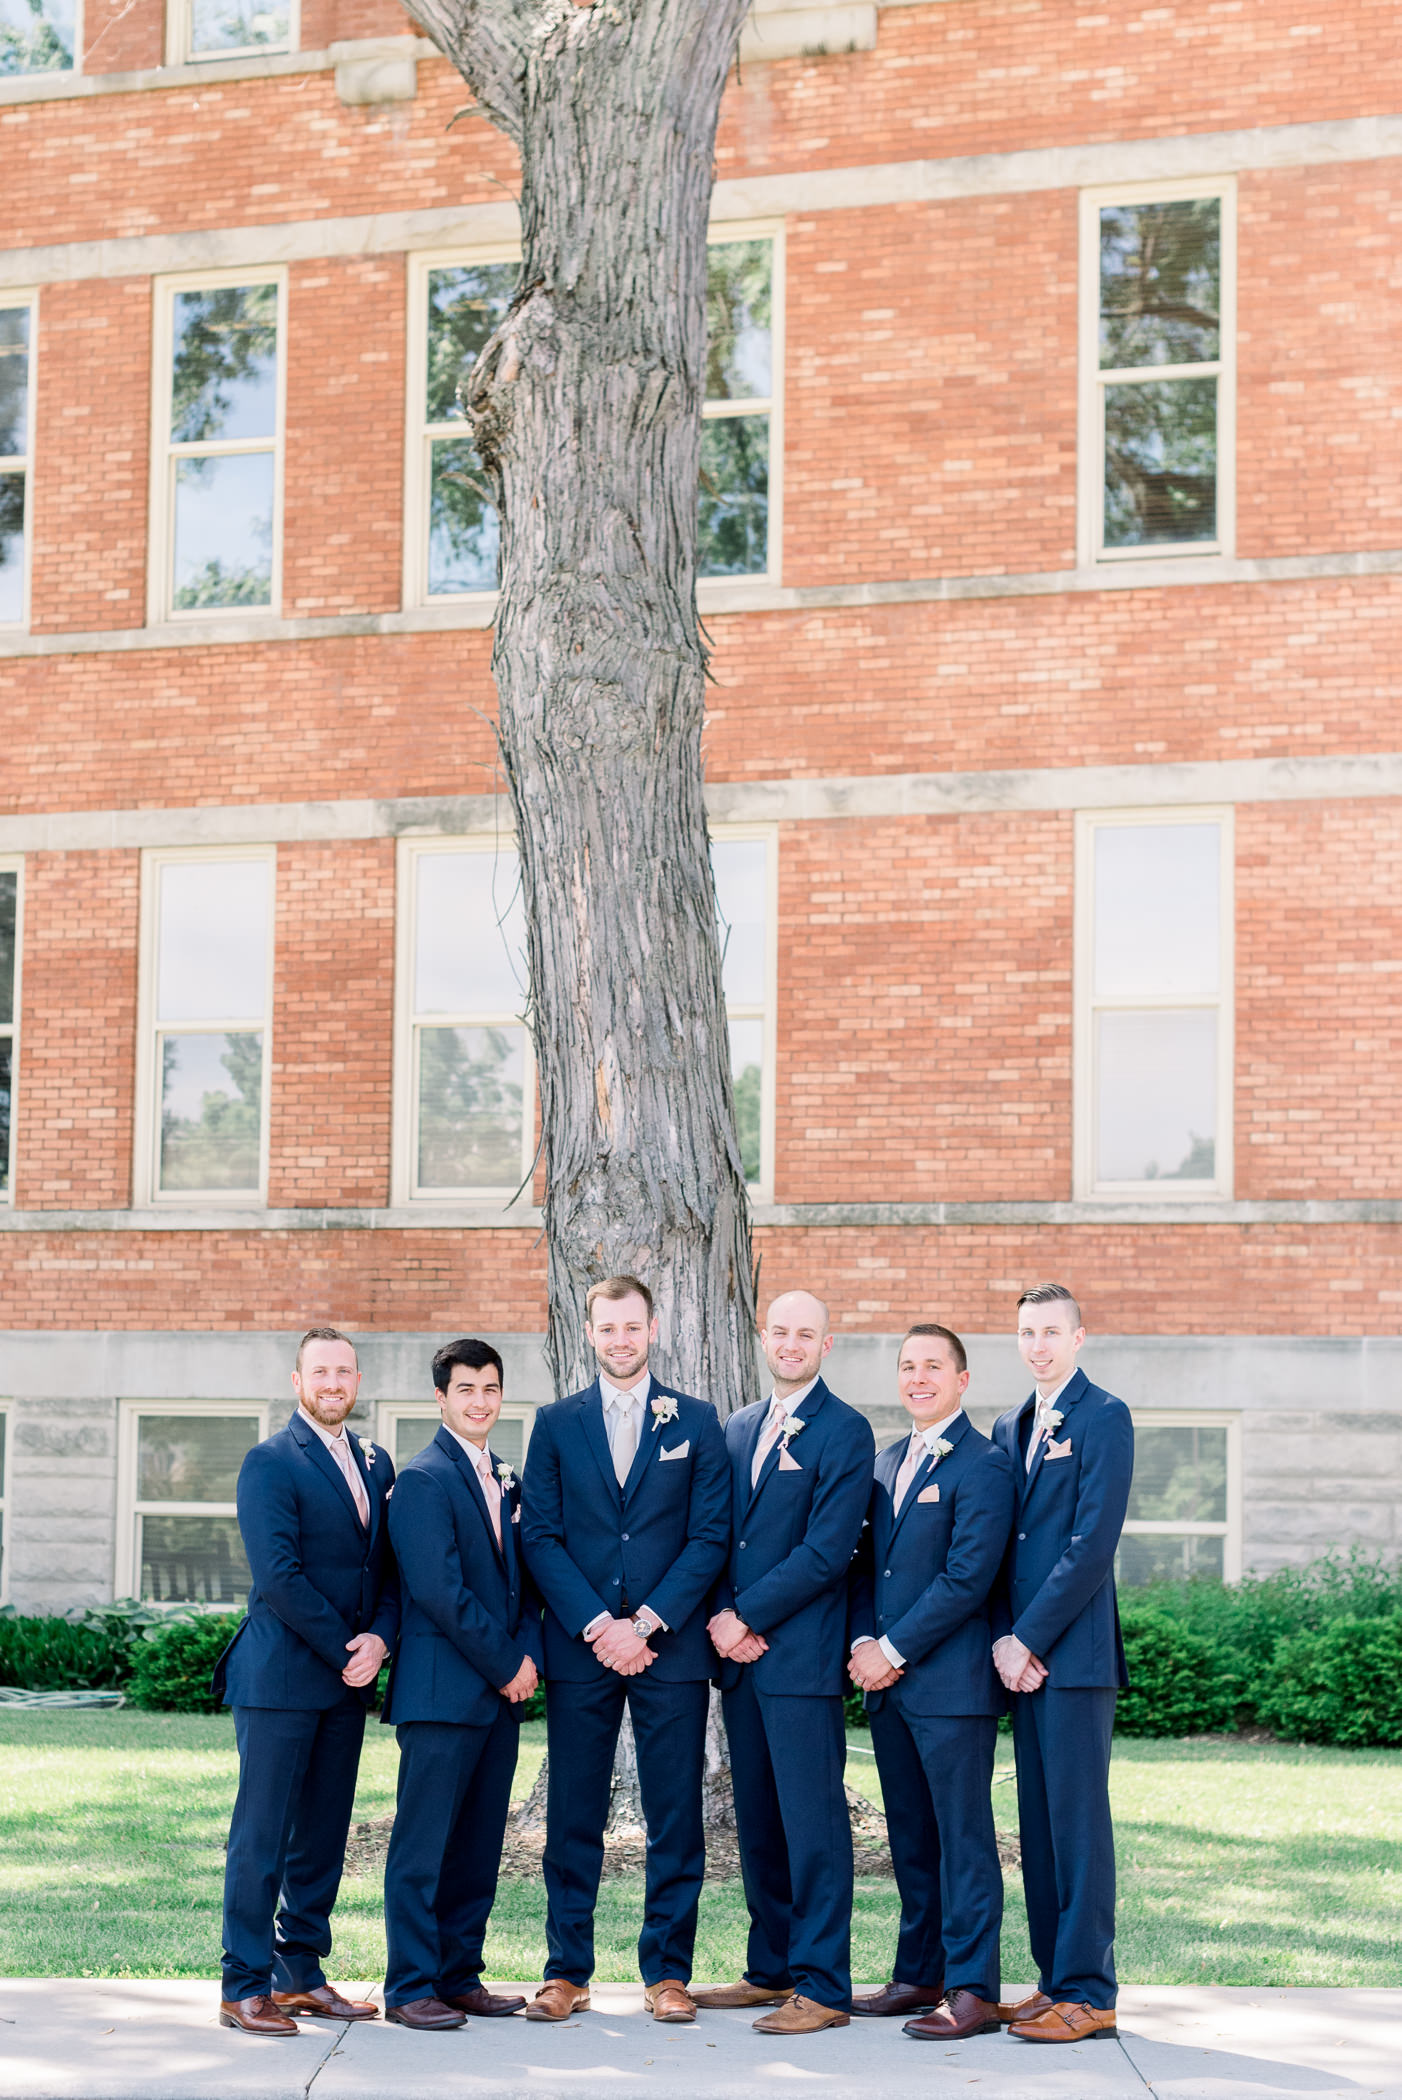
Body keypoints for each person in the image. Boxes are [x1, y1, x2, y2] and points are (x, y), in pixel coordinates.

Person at [518, 1275, 730, 2026]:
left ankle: (668, 1973)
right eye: (607, 1328)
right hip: (581, 1651)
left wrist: (643, 1625)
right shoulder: (554, 1424)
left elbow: (709, 1537)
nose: (619, 1339)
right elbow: (538, 1535)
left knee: (676, 1814)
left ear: (653, 1328)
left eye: (631, 1327)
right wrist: (597, 1627)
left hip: (669, 1653)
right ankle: (565, 1970)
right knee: (574, 1813)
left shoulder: (697, 1422)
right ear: (590, 1332)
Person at [694, 1289, 875, 2036]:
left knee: (813, 1824)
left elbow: (829, 1551)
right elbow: (716, 1534)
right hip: (740, 1661)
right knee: (760, 1824)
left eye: (806, 1334)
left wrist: (748, 1616)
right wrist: (720, 1623)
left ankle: (825, 1983)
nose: (791, 1344)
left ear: (826, 1345)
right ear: (763, 1338)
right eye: (781, 1332)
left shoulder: (846, 1431)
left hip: (798, 1660)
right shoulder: (737, 1428)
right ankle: (770, 1968)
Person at [213, 1327, 398, 2036]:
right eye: (319, 1372)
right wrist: (346, 1646)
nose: (332, 1383)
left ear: (356, 1381)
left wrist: (380, 1639)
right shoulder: (268, 1463)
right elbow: (278, 1577)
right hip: (281, 1677)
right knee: (262, 1835)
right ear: (298, 1382)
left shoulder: (377, 1465)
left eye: (343, 1371)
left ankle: (301, 1973)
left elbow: (387, 1569)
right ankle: (243, 1985)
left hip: (346, 1681)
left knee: (321, 1836)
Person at [847, 1323, 1016, 2040]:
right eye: (908, 1367)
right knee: (912, 1839)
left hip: (951, 1689)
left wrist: (892, 1647)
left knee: (963, 1838)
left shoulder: (986, 1465)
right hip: (890, 1689)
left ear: (962, 1380)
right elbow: (864, 1569)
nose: (919, 1378)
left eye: (933, 1367)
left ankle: (975, 1987)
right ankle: (921, 1972)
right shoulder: (885, 1464)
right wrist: (861, 1640)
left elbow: (968, 1577)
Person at [380, 1338, 544, 2029]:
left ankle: (458, 1975)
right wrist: (508, 1664)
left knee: (478, 1848)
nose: (481, 1401)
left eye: (491, 1389)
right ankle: (411, 1986)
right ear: (440, 1398)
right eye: (466, 1389)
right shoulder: (423, 1479)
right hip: (443, 1693)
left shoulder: (503, 1475)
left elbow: (526, 1586)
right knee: (423, 1848)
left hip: (496, 1701)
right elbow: (440, 1591)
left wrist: (529, 1655)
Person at [989, 1284, 1133, 2045]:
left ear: (1079, 1337)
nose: (1038, 1344)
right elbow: (1000, 1546)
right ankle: (1053, 1981)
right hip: (1023, 1662)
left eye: (1051, 1331)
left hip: (1071, 1660)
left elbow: (1090, 1546)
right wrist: (1005, 1645)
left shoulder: (1105, 1416)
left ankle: (1092, 1993)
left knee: (1077, 1829)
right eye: (1026, 1332)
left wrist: (1030, 1639)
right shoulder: (1009, 1423)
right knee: (1038, 1830)